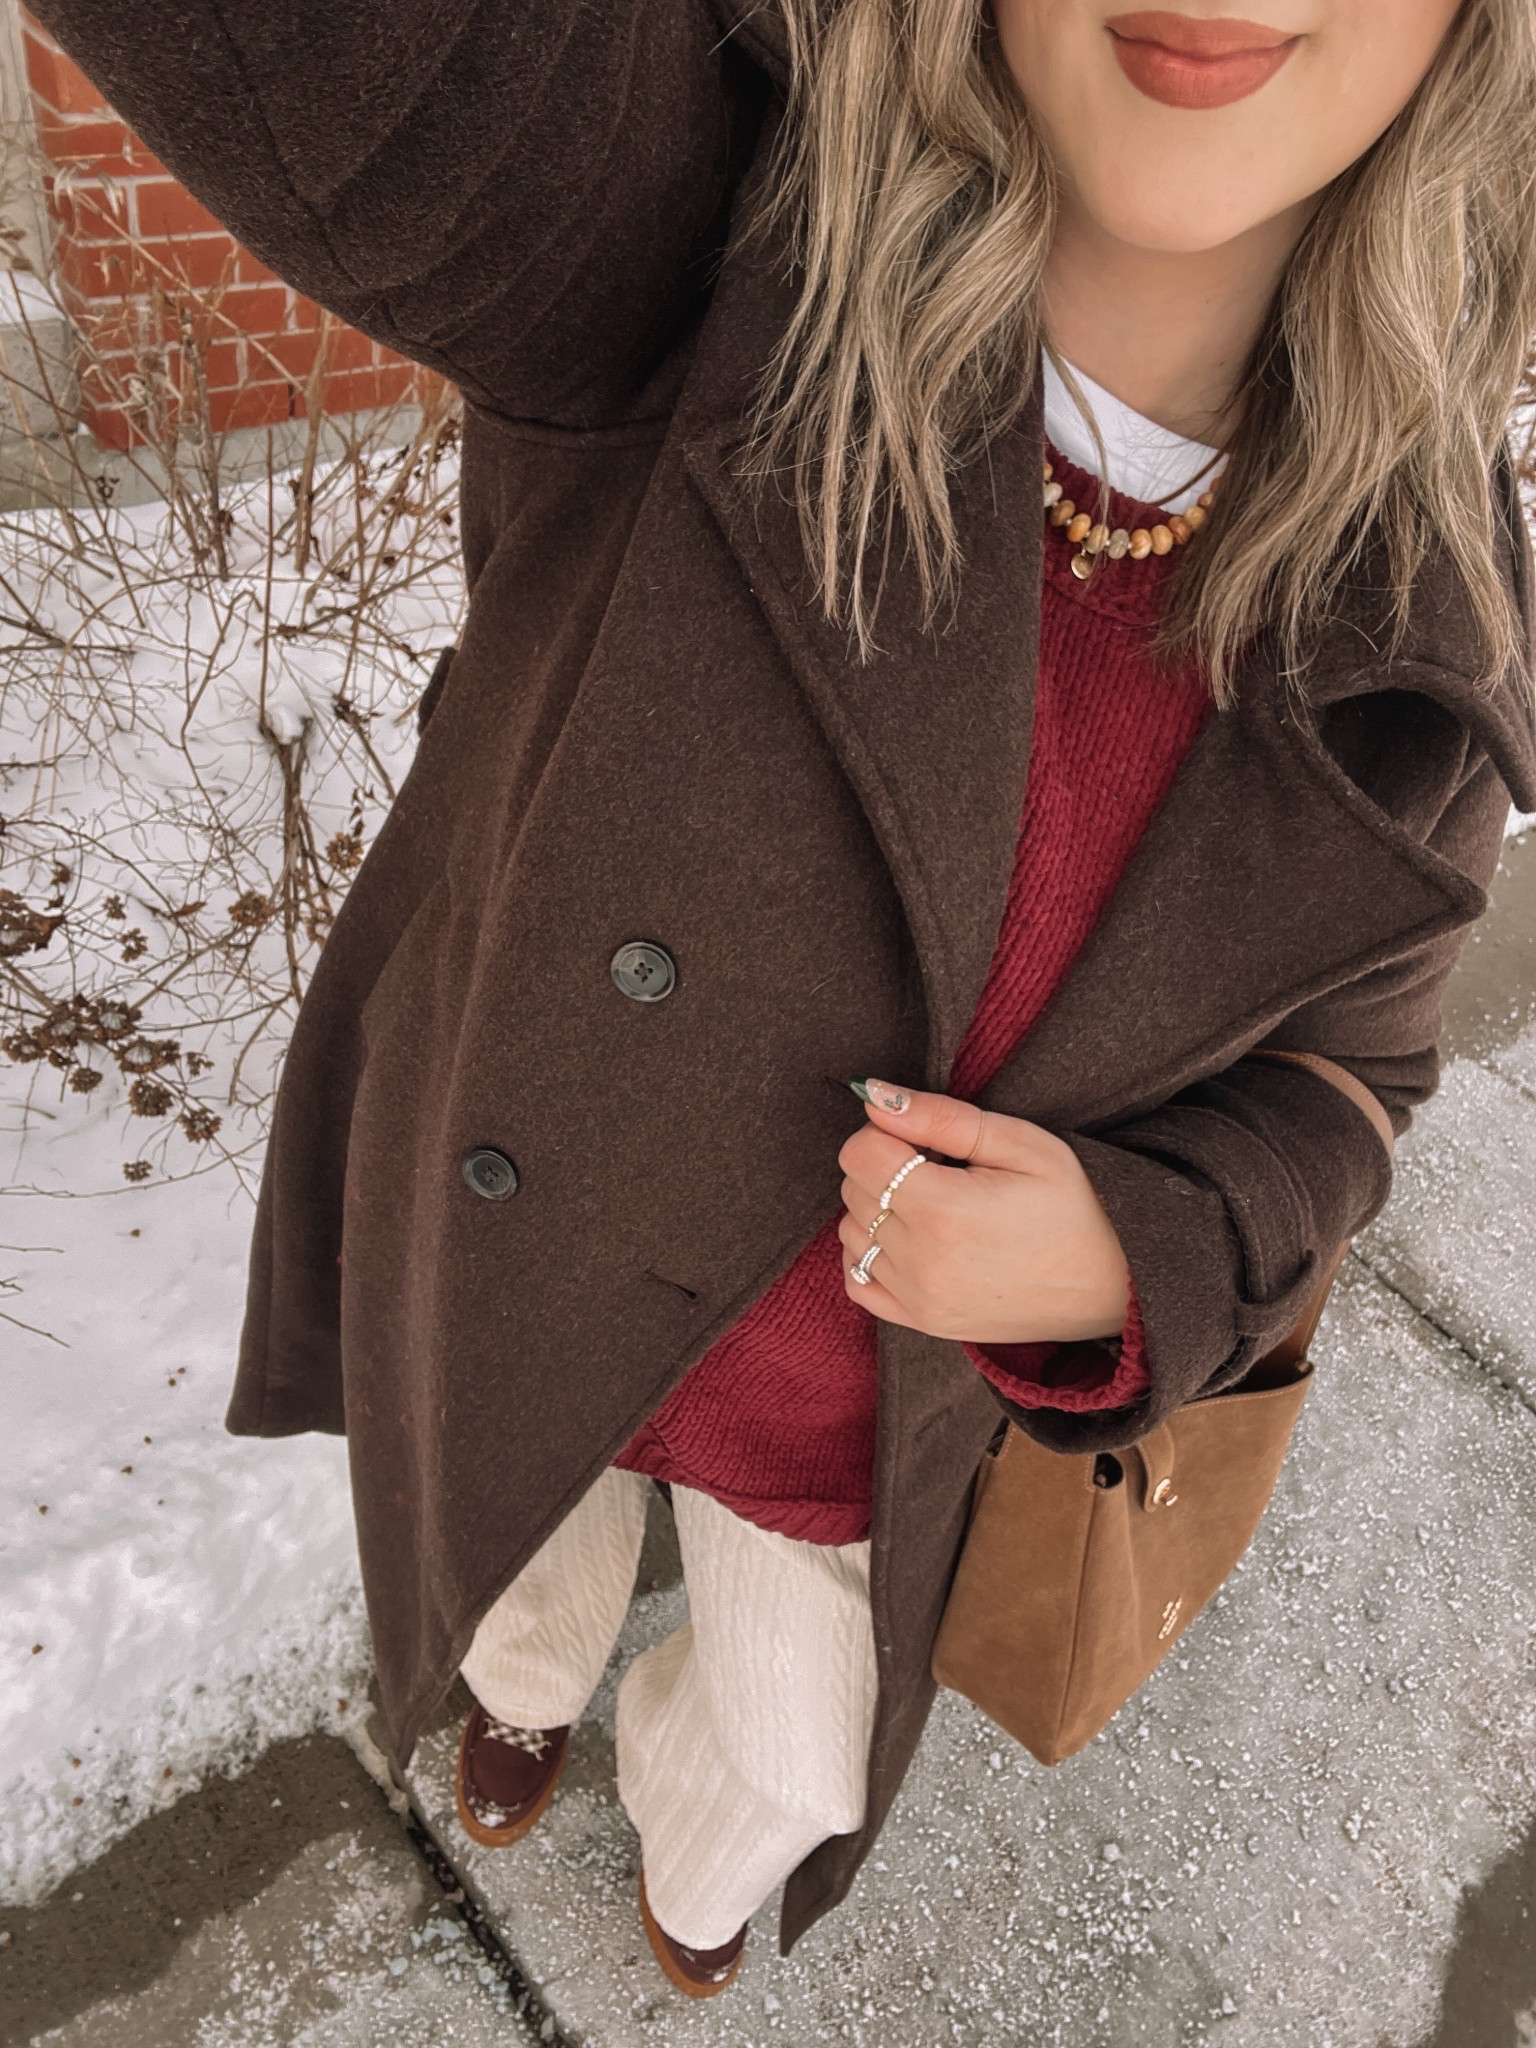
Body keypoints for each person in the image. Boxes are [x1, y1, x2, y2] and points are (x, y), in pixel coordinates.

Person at [33, 0, 1536, 2000]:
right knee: (510, 1584)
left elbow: (1352, 1077)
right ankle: (525, 1696)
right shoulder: (713, 239)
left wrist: (1132, 1247)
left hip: (845, 1421)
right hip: (537, 1245)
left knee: (791, 1761)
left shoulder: (1417, 598)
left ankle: (687, 1827)